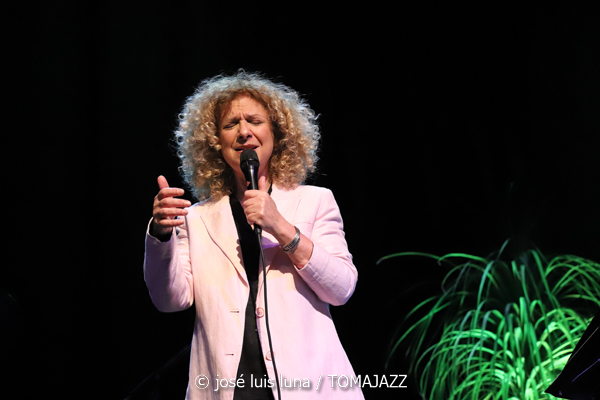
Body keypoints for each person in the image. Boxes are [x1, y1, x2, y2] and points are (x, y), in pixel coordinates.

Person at [144, 70, 363, 400]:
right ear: (215, 142)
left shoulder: (316, 200)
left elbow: (341, 288)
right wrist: (161, 233)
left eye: (255, 121)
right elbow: (170, 300)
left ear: (277, 132)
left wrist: (281, 227)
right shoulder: (197, 218)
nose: (244, 131)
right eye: (231, 124)